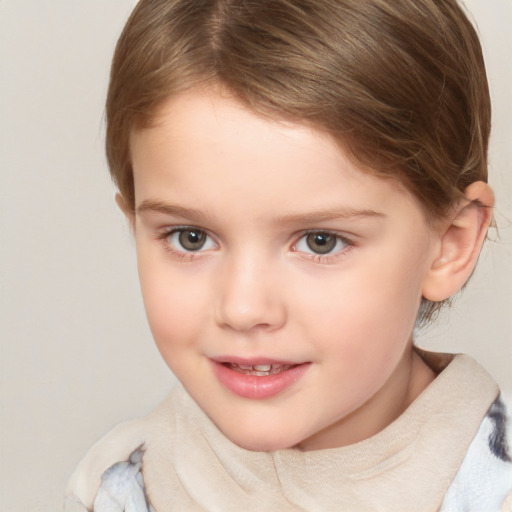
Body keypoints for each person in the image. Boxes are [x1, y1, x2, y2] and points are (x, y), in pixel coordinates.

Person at [64, 0, 512, 510]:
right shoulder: (116, 486)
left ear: (449, 244)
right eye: (190, 237)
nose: (244, 308)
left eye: (321, 241)